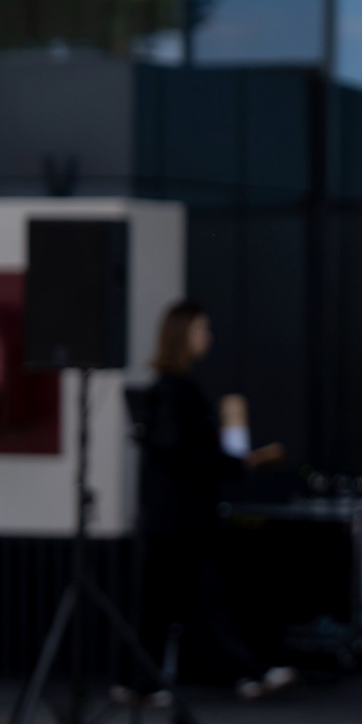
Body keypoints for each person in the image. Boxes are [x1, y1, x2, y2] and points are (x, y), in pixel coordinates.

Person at [135, 300, 294, 700]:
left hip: (171, 516)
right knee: (194, 599)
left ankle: (144, 680)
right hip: (181, 518)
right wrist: (233, 462)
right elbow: (185, 452)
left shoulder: (170, 390)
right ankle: (243, 672)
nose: (208, 337)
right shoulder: (176, 392)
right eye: (201, 329)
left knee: (170, 601)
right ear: (182, 335)